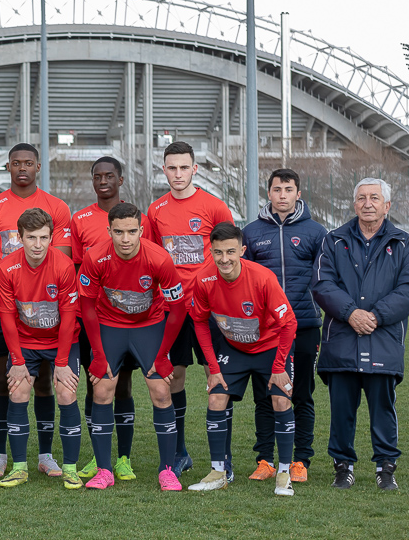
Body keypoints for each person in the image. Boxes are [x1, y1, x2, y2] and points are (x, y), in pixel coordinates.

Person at [312, 178, 409, 491]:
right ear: (354, 203)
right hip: (342, 343)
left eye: (375, 198)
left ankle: (385, 467)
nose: (368, 203)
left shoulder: (405, 243)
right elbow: (322, 284)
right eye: (361, 197)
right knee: (341, 411)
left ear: (387, 205)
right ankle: (342, 466)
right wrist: (351, 313)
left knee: (383, 409)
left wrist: (376, 315)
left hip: (383, 342)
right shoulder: (333, 240)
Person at [0, 143, 72, 477]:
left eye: (28, 163)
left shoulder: (56, 207)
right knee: (5, 381)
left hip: (46, 311)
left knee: (45, 384)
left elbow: (58, 261)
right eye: (16, 163)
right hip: (7, 309)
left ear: (38, 166)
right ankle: (0, 454)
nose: (22, 168)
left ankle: (45, 455)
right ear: (8, 167)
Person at [79, 203, 186, 491]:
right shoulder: (95, 256)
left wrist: (163, 355)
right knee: (101, 389)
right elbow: (86, 306)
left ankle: (167, 471)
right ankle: (104, 471)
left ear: (141, 230)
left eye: (131, 232)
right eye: (118, 232)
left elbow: (178, 308)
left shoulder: (159, 258)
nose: (125, 239)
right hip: (109, 326)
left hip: (147, 326)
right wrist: (98, 354)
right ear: (109, 231)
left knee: (162, 390)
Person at [187, 222, 298, 496]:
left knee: (281, 398)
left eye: (231, 252)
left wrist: (279, 367)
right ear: (210, 252)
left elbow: (289, 323)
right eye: (218, 252)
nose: (224, 259)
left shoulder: (262, 278)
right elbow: (199, 322)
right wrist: (213, 368)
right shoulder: (203, 280)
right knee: (215, 396)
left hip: (270, 346)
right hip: (234, 348)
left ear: (242, 251)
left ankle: (283, 473)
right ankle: (218, 471)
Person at [147, 141, 234, 477]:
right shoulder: (156, 210)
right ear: (164, 169)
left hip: (213, 309)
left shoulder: (214, 207)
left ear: (195, 168)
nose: (178, 174)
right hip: (175, 310)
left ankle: (223, 458)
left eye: (184, 167)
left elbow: (233, 257)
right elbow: (154, 259)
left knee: (221, 379)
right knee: (175, 377)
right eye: (172, 167)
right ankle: (180, 452)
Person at [69, 156, 155, 482]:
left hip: (132, 319)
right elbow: (79, 268)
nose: (103, 181)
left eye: (110, 175)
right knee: (96, 386)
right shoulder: (80, 220)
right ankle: (98, 456)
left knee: (124, 386)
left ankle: (124, 458)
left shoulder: (139, 218)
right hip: (96, 318)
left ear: (121, 179)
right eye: (97, 176)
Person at [242, 168, 327, 483]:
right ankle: (265, 459)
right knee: (265, 395)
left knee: (302, 393)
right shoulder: (251, 233)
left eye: (288, 189)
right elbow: (243, 279)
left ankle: (300, 460)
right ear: (269, 193)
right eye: (276, 189)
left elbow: (325, 278)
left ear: (298, 193)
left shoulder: (316, 232)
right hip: (265, 330)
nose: (282, 195)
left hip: (304, 324)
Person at [0, 209, 80, 489]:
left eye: (44, 237)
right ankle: (19, 467)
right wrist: (17, 361)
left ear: (52, 237)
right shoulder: (7, 266)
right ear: (19, 237)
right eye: (31, 237)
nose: (37, 244)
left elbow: (69, 316)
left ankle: (70, 468)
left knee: (66, 391)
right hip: (26, 342)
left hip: (61, 341)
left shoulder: (64, 265)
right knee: (19, 389)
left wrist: (63, 361)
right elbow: (7, 316)